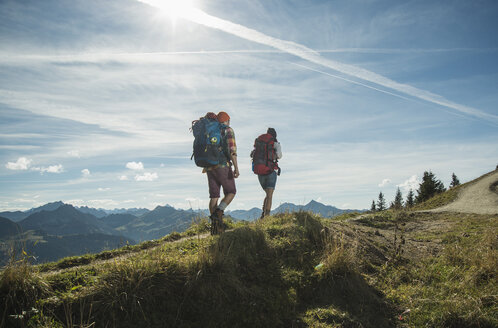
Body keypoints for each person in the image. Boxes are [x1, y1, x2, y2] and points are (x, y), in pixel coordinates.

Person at [205, 111, 240, 234]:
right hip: (223, 165)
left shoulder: (209, 131)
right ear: (226, 121)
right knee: (231, 192)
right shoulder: (228, 130)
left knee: (214, 196)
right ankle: (219, 212)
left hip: (209, 167)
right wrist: (236, 168)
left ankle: (215, 227)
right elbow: (232, 151)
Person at [251, 127, 282, 219]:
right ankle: (266, 217)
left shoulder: (260, 143)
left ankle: (263, 215)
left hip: (260, 172)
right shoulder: (275, 143)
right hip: (270, 171)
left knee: (267, 194)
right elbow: (279, 156)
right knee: (269, 195)